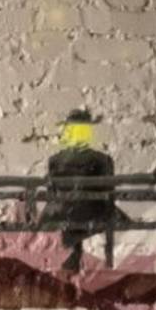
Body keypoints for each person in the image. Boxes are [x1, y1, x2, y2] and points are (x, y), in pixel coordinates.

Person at [43, 108, 116, 273]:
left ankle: (74, 253)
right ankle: (94, 257)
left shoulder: (55, 160)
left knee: (65, 207)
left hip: (65, 212)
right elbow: (109, 192)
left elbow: (51, 193)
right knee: (87, 206)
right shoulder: (103, 160)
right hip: (95, 211)